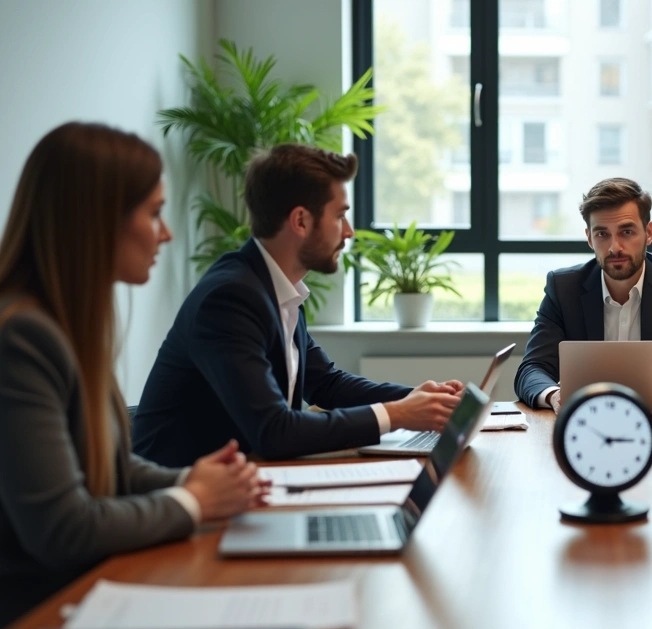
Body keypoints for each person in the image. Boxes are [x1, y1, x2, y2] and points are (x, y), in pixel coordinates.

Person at [0, 123, 266, 626]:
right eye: (154, 212)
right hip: (38, 613)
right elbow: (63, 528)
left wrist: (196, 479)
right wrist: (193, 500)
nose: (165, 233)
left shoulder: (65, 323)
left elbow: (112, 469)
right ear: (95, 221)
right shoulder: (21, 337)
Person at [133, 144, 463, 467]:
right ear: (301, 221)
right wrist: (398, 414)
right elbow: (274, 432)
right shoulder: (230, 298)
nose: (348, 232)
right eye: (340, 216)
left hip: (243, 482)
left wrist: (418, 400)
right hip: (180, 501)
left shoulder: (274, 288)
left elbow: (327, 384)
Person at [513, 177, 652, 415]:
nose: (615, 247)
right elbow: (531, 369)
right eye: (602, 234)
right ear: (589, 238)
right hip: (583, 420)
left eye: (627, 231)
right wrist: (554, 396)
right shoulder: (563, 287)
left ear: (648, 233)